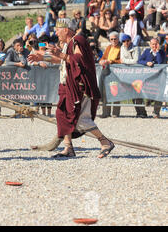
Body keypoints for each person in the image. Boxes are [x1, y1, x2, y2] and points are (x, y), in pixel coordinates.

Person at [28, 18, 115, 158]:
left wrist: (60, 54)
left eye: (58, 30)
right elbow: (63, 59)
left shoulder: (78, 40)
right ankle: (68, 148)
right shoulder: (69, 43)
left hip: (80, 86)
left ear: (66, 29)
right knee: (62, 114)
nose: (56, 33)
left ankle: (105, 142)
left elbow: (79, 60)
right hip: (68, 85)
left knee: (80, 118)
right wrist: (43, 58)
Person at [137, 38, 166, 118]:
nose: (154, 46)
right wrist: (146, 63)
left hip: (158, 77)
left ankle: (156, 112)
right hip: (146, 77)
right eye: (153, 44)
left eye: (156, 44)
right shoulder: (146, 51)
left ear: (158, 44)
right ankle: (142, 112)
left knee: (159, 94)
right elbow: (139, 61)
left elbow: (160, 62)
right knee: (138, 92)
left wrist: (157, 52)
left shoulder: (162, 52)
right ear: (150, 45)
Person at [119, 34, 145, 118]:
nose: (125, 43)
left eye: (127, 41)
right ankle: (138, 112)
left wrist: (125, 61)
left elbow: (136, 61)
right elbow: (122, 59)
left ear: (130, 40)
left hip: (137, 73)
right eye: (123, 41)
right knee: (132, 94)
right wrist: (127, 61)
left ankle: (143, 112)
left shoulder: (136, 48)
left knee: (138, 93)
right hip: (128, 73)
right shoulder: (122, 48)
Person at [98, 32, 121, 118]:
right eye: (112, 39)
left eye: (115, 39)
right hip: (107, 72)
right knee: (105, 92)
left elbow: (122, 60)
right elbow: (103, 57)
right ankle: (105, 112)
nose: (113, 40)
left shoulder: (121, 47)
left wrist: (112, 62)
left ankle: (115, 112)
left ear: (118, 39)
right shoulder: (108, 47)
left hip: (117, 72)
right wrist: (101, 61)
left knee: (116, 91)